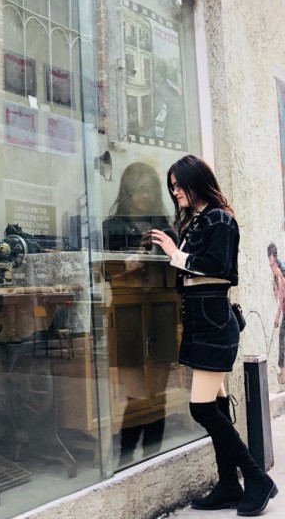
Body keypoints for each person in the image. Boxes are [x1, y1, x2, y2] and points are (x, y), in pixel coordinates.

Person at [151, 155, 278, 516]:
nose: (175, 191)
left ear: (197, 182)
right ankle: (228, 484)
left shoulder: (220, 219)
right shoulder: (201, 220)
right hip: (201, 321)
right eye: (171, 186)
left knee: (202, 407)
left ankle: (257, 480)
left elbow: (219, 267)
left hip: (214, 324)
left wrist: (176, 254)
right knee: (218, 405)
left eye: (179, 185)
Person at [102, 162, 174, 466]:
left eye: (149, 188)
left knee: (158, 391)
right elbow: (103, 273)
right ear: (127, 190)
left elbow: (176, 270)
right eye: (138, 187)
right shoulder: (112, 226)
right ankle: (126, 457)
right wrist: (126, 264)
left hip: (162, 311)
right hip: (128, 312)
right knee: (135, 392)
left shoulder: (164, 225)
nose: (144, 194)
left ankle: (152, 457)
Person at [103, 161, 172, 253]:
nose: (146, 195)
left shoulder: (164, 229)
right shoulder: (111, 228)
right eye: (141, 188)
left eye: (150, 189)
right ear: (128, 191)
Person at [267, 243, 285, 385]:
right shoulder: (277, 276)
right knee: (282, 337)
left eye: (272, 265)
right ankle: (282, 369)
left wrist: (277, 318)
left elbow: (281, 299)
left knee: (282, 337)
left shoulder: (280, 275)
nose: (271, 268)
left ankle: (283, 370)